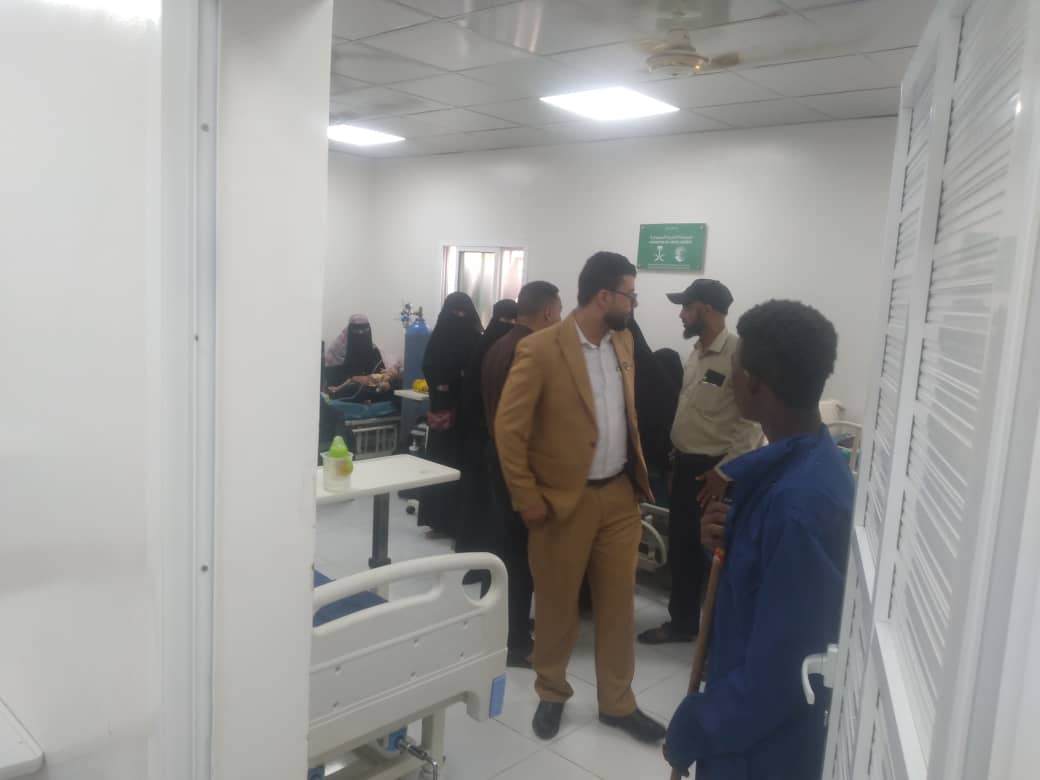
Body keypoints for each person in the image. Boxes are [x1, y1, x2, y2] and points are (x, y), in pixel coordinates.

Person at [663, 299, 855, 780]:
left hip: (759, 750)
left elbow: (782, 674)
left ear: (751, 383)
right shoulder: (792, 469)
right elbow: (762, 585)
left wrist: (696, 726)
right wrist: (724, 543)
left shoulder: (800, 503)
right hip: (748, 728)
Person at [495, 251, 666, 743]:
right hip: (561, 503)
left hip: (619, 497)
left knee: (617, 606)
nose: (635, 303)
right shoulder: (542, 349)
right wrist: (526, 496)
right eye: (631, 294)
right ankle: (552, 692)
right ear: (604, 297)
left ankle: (617, 702)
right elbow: (509, 430)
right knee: (556, 604)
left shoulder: (623, 342)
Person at [639, 280, 761, 646]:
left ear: (706, 309)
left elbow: (751, 423)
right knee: (683, 550)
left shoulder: (738, 355)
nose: (681, 314)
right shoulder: (696, 352)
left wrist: (725, 472)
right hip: (687, 466)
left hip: (716, 472)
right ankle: (684, 624)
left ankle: (722, 638)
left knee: (716, 555)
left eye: (686, 307)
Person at [480, 281, 562, 668]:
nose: (560, 319)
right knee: (521, 555)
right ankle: (514, 642)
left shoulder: (498, 345)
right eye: (559, 312)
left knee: (506, 548)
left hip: (497, 459)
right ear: (547, 312)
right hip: (520, 467)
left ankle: (503, 626)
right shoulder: (532, 351)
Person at [417, 292, 483, 537]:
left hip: (458, 419)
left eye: (463, 313)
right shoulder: (456, 338)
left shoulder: (456, 338)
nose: (459, 317)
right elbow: (431, 368)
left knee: (451, 467)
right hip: (451, 418)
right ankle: (442, 520)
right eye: (455, 313)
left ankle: (448, 520)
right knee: (443, 467)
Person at [455, 299, 518, 553]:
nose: (507, 326)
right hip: (488, 434)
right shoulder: (507, 348)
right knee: (485, 497)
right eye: (504, 320)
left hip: (478, 432)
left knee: (478, 495)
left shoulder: (486, 345)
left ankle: (471, 548)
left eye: (512, 321)